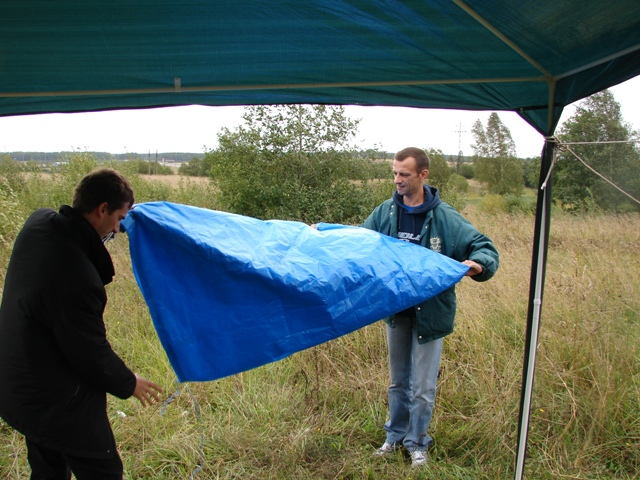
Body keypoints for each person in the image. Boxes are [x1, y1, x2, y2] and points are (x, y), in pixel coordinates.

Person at [0, 168, 163, 480]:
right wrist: (129, 382)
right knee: (104, 470)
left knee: (47, 468)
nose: (117, 229)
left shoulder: (39, 223)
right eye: (118, 218)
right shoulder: (76, 277)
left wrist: (130, 212)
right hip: (55, 399)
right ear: (101, 209)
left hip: (20, 381)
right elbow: (89, 352)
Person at [362, 147, 499, 468]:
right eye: (395, 173)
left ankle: (417, 443)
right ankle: (394, 436)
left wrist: (477, 264)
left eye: (404, 174)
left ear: (423, 175)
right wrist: (325, 236)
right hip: (397, 313)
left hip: (431, 314)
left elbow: (484, 247)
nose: (397, 180)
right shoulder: (385, 213)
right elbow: (358, 240)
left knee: (423, 387)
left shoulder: (445, 218)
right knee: (398, 382)